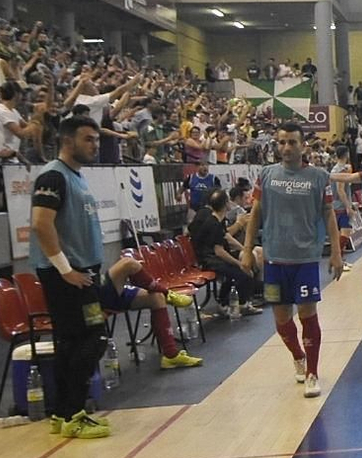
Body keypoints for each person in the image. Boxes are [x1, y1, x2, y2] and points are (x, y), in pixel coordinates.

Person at [30, 116, 200, 439]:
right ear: (67, 141)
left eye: (96, 139)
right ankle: (73, 412)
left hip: (82, 274)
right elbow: (41, 224)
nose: (95, 145)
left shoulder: (74, 177)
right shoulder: (53, 176)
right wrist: (66, 270)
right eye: (88, 139)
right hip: (68, 277)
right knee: (90, 338)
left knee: (71, 342)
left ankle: (62, 413)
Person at [242, 122, 343, 397]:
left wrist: (336, 251)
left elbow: (329, 215)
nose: (286, 147)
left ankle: (312, 372)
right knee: (282, 319)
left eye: (292, 142)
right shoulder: (266, 175)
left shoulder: (319, 177)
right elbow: (256, 213)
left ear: (302, 146)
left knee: (308, 315)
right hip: (274, 259)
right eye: (282, 142)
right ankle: (297, 355)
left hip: (306, 259)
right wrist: (248, 248)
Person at [189, 188, 261, 320]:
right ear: (225, 204)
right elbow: (219, 251)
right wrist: (240, 263)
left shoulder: (217, 221)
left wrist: (245, 250)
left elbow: (226, 238)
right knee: (241, 272)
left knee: (237, 270)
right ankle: (242, 304)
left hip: (213, 257)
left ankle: (224, 303)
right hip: (210, 260)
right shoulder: (213, 224)